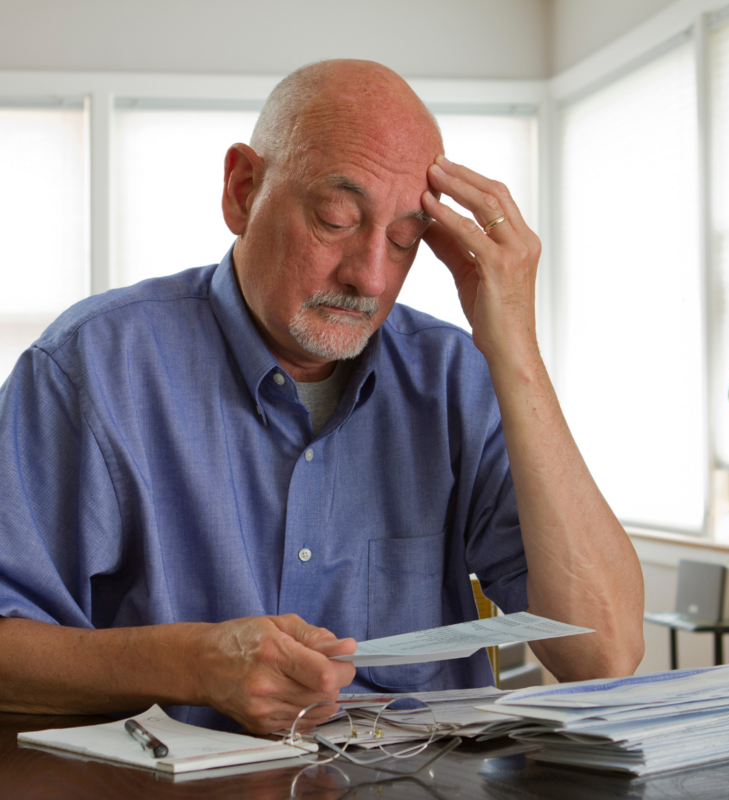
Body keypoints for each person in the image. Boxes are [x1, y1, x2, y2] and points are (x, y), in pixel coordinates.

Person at [0, 60, 644, 734]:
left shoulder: (455, 378)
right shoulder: (91, 369)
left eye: (403, 240)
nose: (368, 276)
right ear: (242, 190)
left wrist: (517, 353)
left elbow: (604, 655)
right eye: (337, 219)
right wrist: (190, 665)